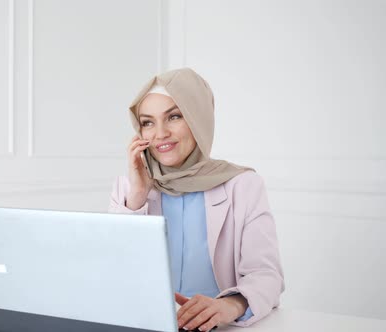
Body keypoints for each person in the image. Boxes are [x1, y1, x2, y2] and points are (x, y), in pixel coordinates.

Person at [109, 68, 284, 330]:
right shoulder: (129, 189)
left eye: (174, 116)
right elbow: (113, 273)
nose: (160, 134)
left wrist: (230, 305)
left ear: (198, 118)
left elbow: (267, 276)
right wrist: (136, 199)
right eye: (148, 122)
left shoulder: (243, 184)